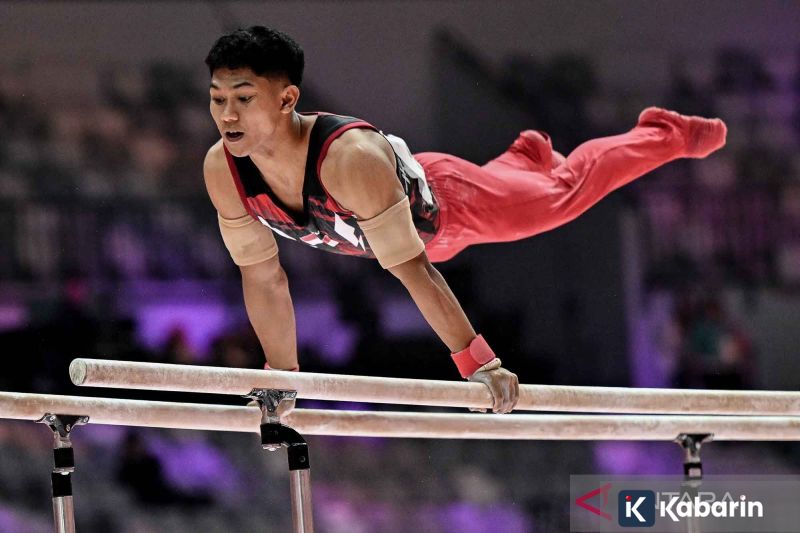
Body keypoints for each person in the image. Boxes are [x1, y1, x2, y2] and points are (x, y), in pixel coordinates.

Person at [202, 26, 727, 414]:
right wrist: (282, 377)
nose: (227, 116)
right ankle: (522, 164)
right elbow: (263, 277)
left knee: (562, 196)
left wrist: (478, 362)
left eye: (244, 100)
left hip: (455, 207)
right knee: (532, 190)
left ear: (288, 98)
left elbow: (413, 270)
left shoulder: (348, 159)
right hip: (412, 225)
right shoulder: (223, 169)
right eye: (217, 99)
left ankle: (662, 133)